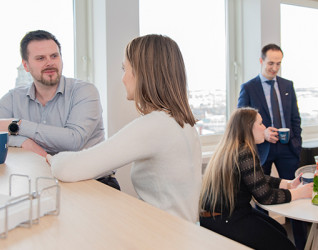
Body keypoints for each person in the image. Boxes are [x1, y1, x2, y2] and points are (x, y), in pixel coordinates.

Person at [47, 34, 202, 223]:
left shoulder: (155, 125)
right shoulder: (183, 122)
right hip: (182, 231)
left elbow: (69, 169)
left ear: (143, 73)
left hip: (164, 235)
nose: (122, 79)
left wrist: (51, 159)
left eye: (124, 69)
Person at [0, 30, 120, 190]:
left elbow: (73, 141)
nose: (49, 62)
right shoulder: (13, 98)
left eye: (54, 56)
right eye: (40, 58)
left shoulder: (85, 91)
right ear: (25, 65)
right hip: (40, 183)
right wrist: (24, 142)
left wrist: (18, 126)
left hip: (93, 183)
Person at [199, 107, 313, 250]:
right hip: (227, 219)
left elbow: (256, 178)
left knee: (280, 231)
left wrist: (288, 184)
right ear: (248, 127)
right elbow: (266, 198)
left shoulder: (232, 148)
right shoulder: (245, 153)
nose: (264, 127)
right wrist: (299, 193)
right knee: (286, 246)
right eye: (260, 124)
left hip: (218, 216)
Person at [237, 43, 306, 249]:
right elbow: (242, 122)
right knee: (261, 199)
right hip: (262, 150)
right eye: (270, 63)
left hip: (287, 150)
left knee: (298, 196)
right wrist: (264, 133)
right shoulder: (248, 88)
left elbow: (295, 119)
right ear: (261, 61)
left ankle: (303, 245)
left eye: (278, 64)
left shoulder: (287, 85)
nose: (274, 68)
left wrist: (296, 143)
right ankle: (264, 241)